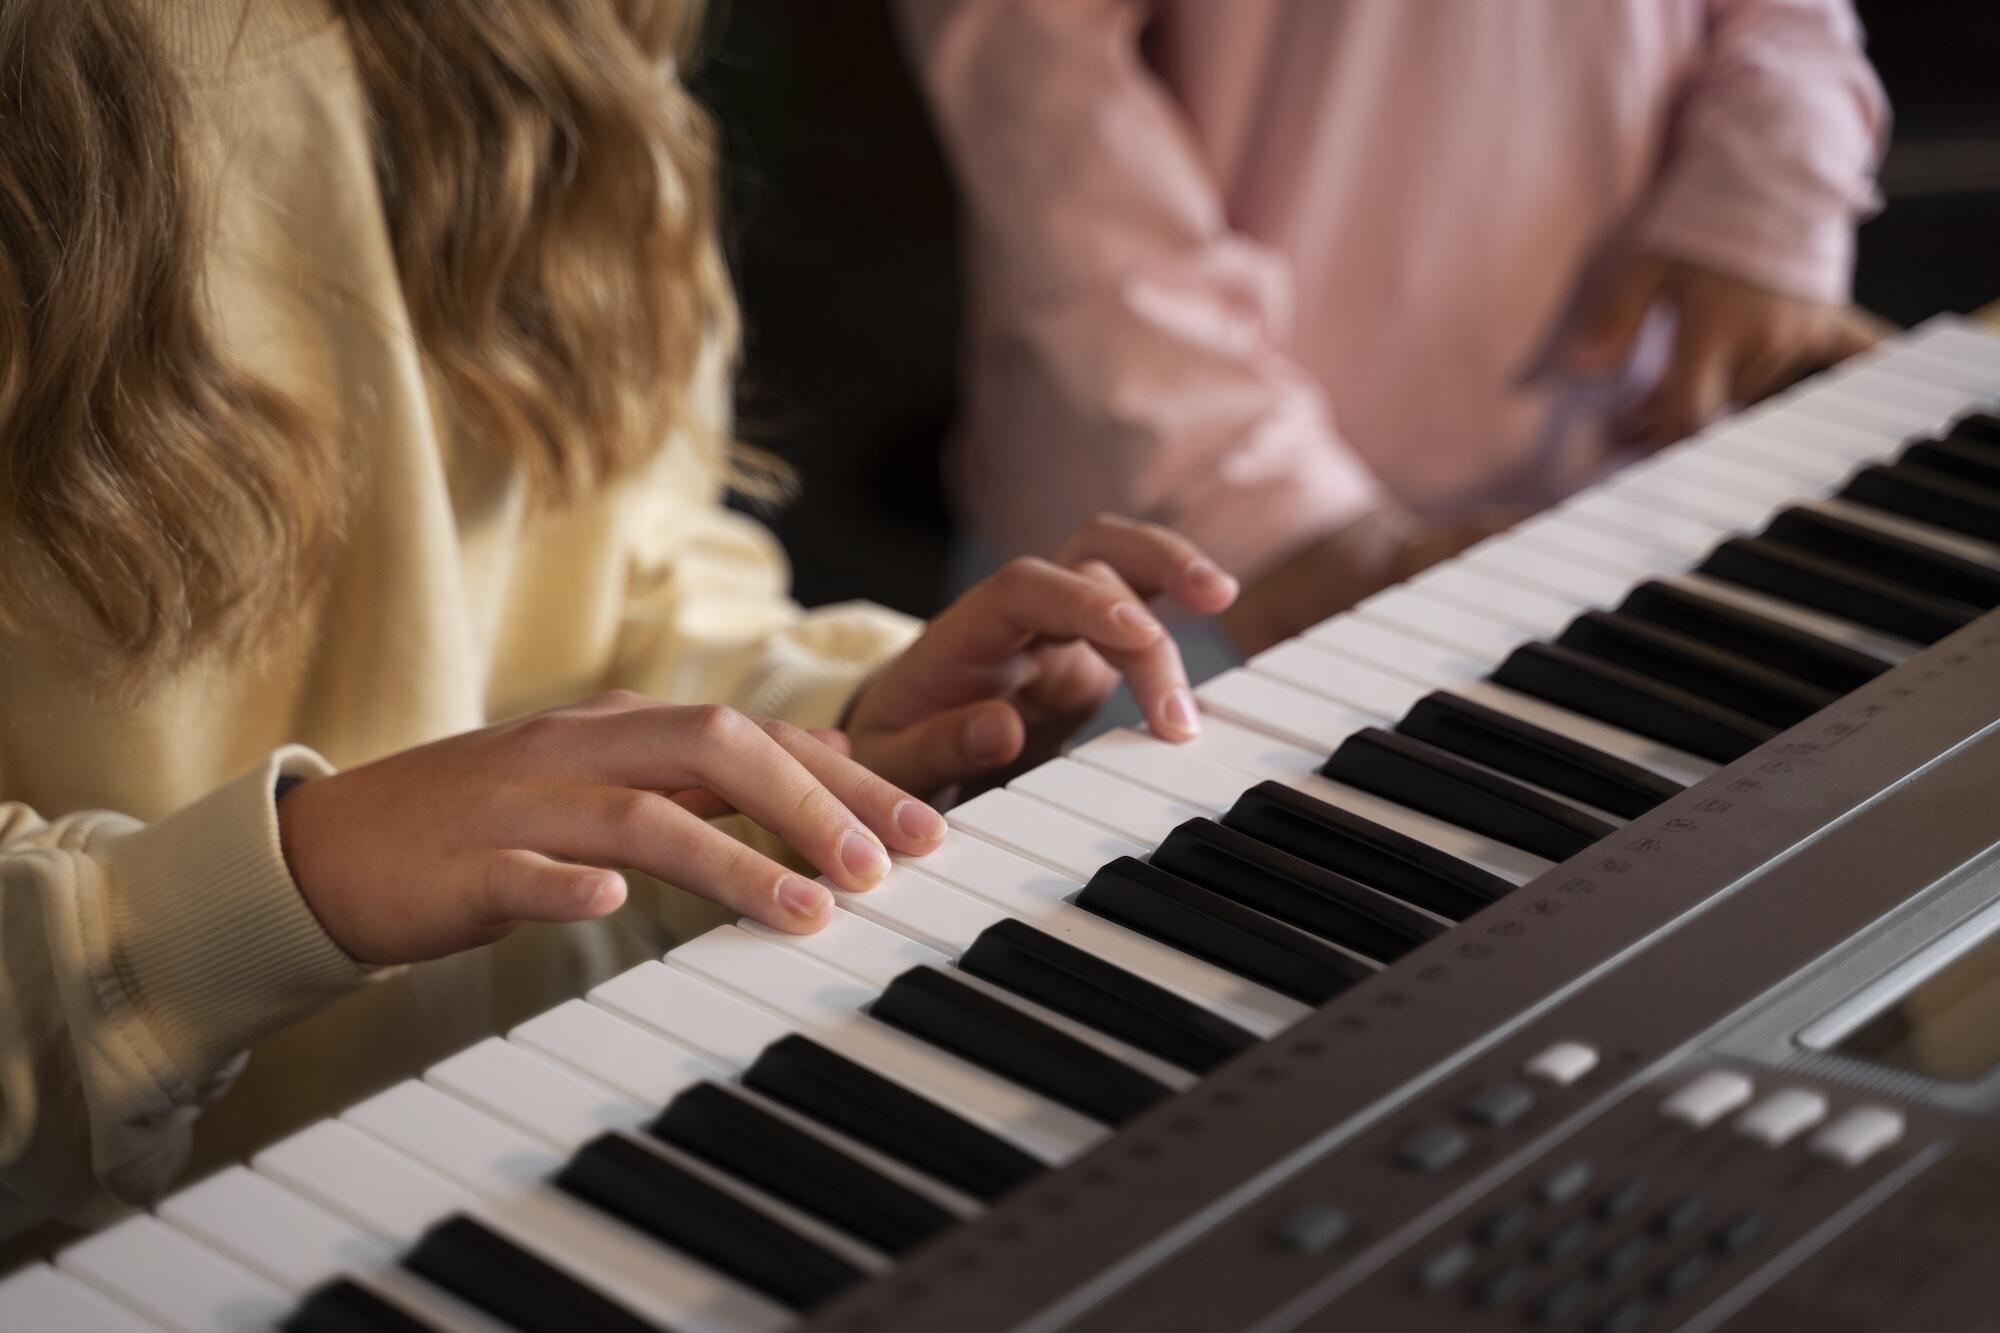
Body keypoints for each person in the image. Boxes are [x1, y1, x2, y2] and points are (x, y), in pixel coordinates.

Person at [0, 0, 1238, 1228]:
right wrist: (288, 882)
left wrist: (827, 728)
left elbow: (628, 570)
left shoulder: (569, 33)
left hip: (582, 1130)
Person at [898, 0, 1891, 656]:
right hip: (1190, 557)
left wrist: (1771, 195)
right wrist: (1266, 503)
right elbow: (1034, 79)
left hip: (1625, 472)